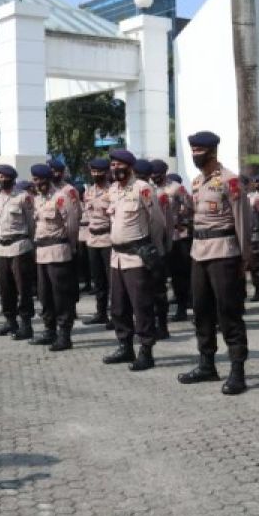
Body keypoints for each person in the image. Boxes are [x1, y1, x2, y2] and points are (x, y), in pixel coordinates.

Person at [178, 131, 253, 392]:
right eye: (193, 150)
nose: (195, 155)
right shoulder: (197, 182)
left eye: (200, 151)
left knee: (229, 313)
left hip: (224, 253)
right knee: (201, 311)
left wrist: (245, 258)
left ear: (212, 152)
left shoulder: (230, 181)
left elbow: (243, 220)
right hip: (199, 252)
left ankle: (237, 370)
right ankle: (207, 364)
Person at [102, 149, 166, 371]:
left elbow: (157, 222)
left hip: (137, 257)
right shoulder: (113, 190)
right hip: (116, 257)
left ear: (129, 167)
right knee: (118, 306)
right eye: (112, 165)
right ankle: (124, 346)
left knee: (141, 306)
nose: (115, 169)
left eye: (119, 165)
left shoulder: (142, 188)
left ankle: (146, 351)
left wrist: (152, 250)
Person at [29, 164, 79, 351]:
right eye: (35, 180)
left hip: (58, 251)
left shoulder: (61, 197)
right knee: (44, 295)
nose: (38, 183)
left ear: (48, 179)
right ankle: (49, 330)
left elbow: (72, 225)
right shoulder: (37, 200)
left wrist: (70, 246)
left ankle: (64, 335)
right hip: (41, 253)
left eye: (40, 180)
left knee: (61, 296)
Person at [0, 164, 36, 340]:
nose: (2, 180)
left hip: (19, 246)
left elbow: (32, 223)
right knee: (5, 287)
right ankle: (10, 321)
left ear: (12, 178)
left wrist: (30, 243)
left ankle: (26, 324)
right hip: (2, 248)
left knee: (23, 288)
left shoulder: (23, 197)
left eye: (5, 177)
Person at [151, 159, 192, 325]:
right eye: (152, 175)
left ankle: (182, 308)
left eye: (157, 175)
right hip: (157, 236)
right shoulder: (149, 189)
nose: (154, 177)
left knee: (179, 274)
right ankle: (158, 309)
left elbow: (190, 205)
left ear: (164, 173)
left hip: (176, 235)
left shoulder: (176, 188)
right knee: (158, 274)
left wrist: (182, 216)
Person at [135, 159, 173, 340]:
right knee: (143, 290)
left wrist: (160, 248)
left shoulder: (157, 194)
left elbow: (164, 223)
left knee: (158, 290)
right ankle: (148, 324)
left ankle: (162, 326)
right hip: (138, 250)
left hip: (154, 249)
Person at [81, 159, 114, 329]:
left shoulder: (113, 191)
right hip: (93, 239)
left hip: (108, 238)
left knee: (112, 280)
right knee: (98, 280)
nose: (96, 175)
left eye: (99, 172)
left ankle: (116, 315)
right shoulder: (89, 192)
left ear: (107, 172)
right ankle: (101, 313)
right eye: (93, 172)